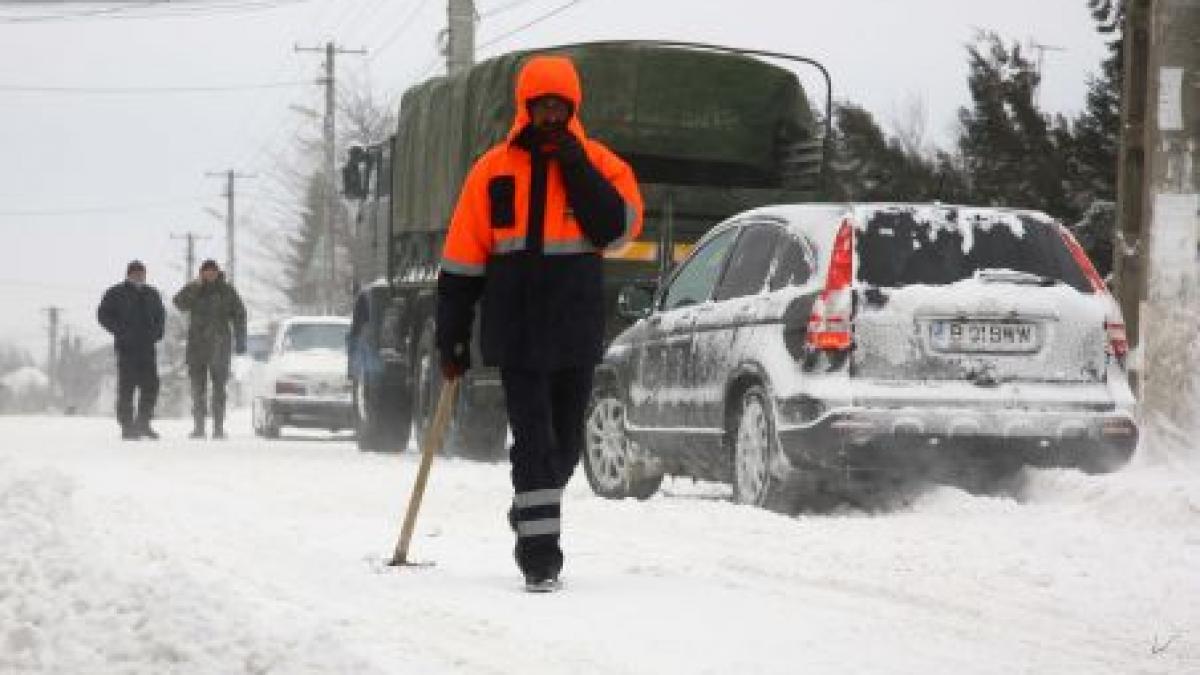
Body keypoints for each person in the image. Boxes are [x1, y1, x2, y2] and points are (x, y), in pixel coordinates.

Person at [436, 55, 644, 592]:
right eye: (541, 106)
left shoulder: (601, 165)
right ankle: (540, 556)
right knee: (533, 443)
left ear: (573, 107)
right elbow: (462, 259)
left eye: (559, 106)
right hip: (518, 332)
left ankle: (530, 509)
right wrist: (452, 332)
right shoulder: (492, 170)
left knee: (566, 447)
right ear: (525, 107)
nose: (550, 115)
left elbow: (614, 229)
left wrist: (575, 164)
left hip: (575, 330)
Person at [173, 259, 247, 439]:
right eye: (206, 271)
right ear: (201, 273)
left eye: (213, 271)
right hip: (197, 347)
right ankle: (199, 427)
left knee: (219, 389)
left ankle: (218, 428)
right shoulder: (195, 290)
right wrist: (194, 287)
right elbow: (179, 303)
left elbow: (239, 315)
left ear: (218, 272)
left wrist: (240, 341)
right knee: (197, 389)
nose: (210, 274)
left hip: (220, 346)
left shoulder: (227, 291)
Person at [97, 260, 166, 440]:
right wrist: (120, 330)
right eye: (135, 273)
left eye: (141, 273)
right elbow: (103, 315)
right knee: (127, 388)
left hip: (147, 348)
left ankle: (143, 423)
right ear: (128, 274)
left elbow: (161, 316)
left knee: (151, 387)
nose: (139, 276)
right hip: (126, 349)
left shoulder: (152, 293)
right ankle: (127, 426)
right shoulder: (116, 293)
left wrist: (157, 333)